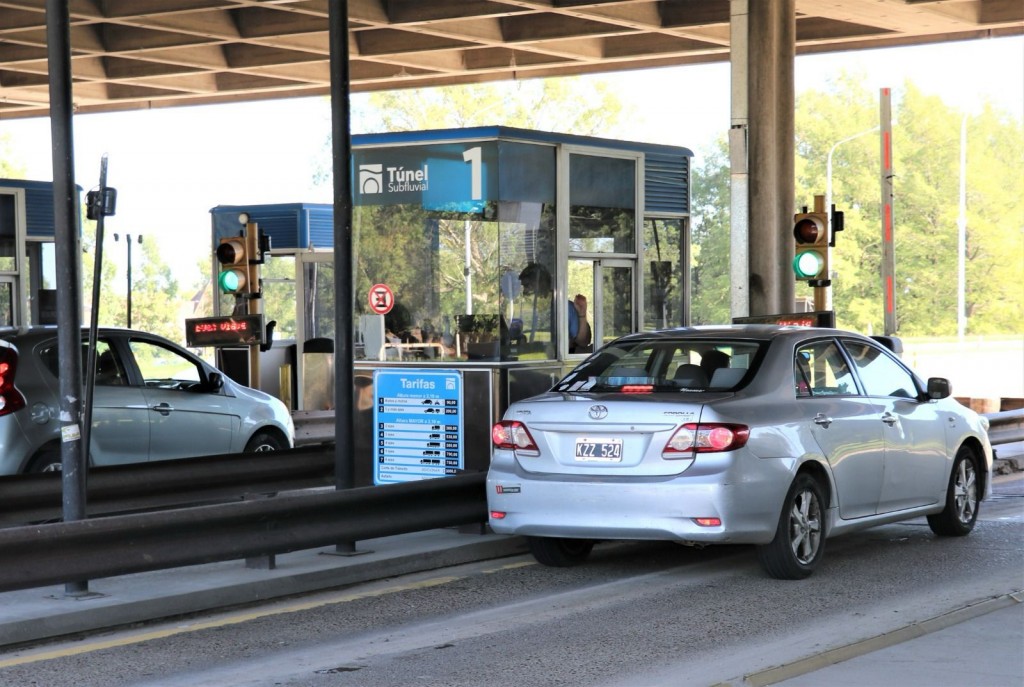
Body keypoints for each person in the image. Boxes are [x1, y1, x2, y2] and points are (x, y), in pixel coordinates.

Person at [518, 263, 592, 354]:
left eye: (527, 286)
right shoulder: (525, 309)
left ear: (540, 284)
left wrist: (582, 315)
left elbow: (583, 342)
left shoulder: (564, 308)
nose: (524, 292)